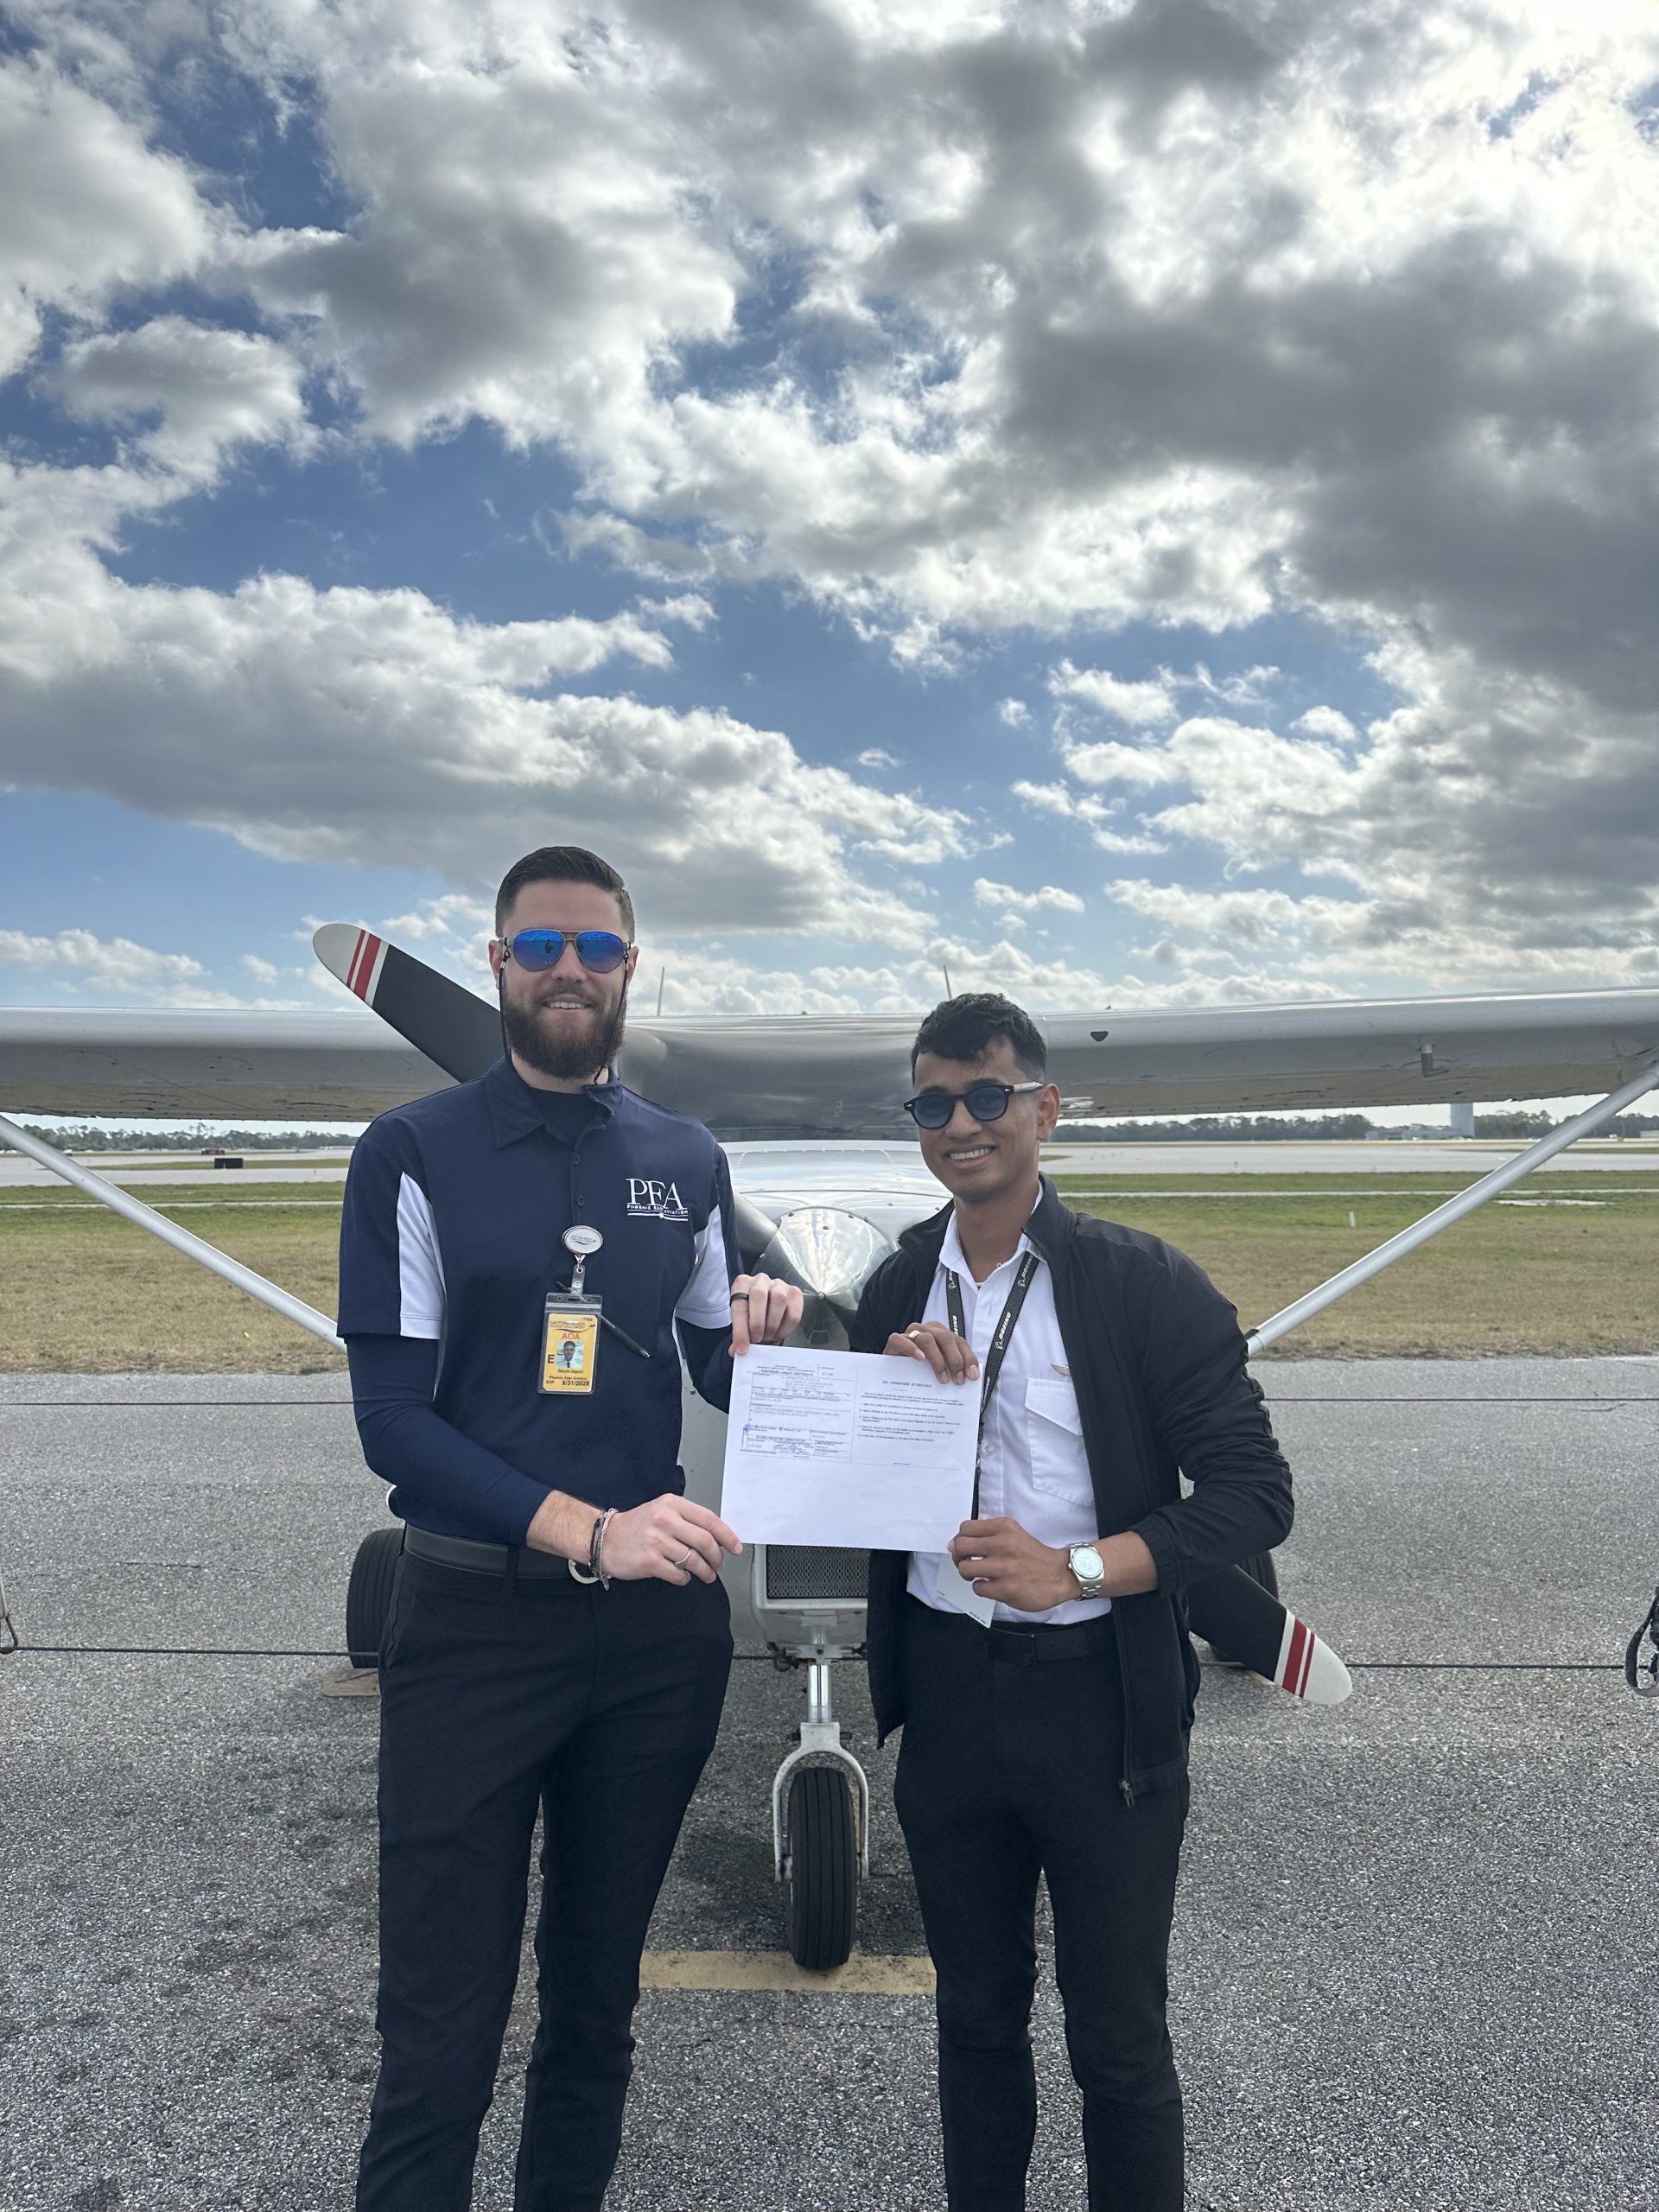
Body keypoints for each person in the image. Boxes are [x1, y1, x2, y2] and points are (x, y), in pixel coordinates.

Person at [337, 843, 802, 2212]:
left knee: (596, 2012)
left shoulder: (686, 1158)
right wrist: (584, 1530)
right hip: (476, 1625)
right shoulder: (410, 1153)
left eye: (595, 949)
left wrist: (794, 1329)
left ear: (629, 969)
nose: (568, 972)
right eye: (539, 947)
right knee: (440, 2035)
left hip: (654, 1645)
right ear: (495, 963)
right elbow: (393, 1421)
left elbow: (721, 1367)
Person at [849, 993, 1294, 2212]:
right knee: (975, 2022)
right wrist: (878, 1396)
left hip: (1100, 1705)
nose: (962, 1123)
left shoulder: (1145, 1284)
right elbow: (845, 1493)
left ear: (1044, 1109)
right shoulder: (895, 1279)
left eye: (989, 1096)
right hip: (944, 1701)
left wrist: (1080, 1568)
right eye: (935, 1102)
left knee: (1117, 2039)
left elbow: (1256, 1498)